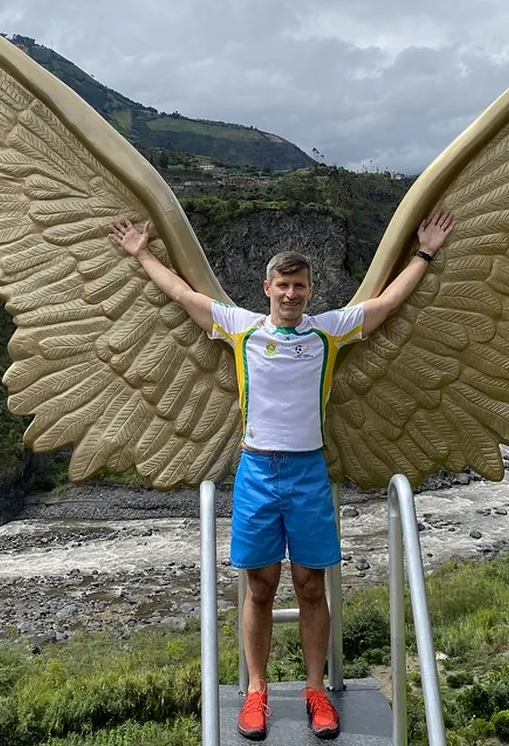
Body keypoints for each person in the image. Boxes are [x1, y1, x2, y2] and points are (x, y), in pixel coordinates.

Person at [109, 209, 455, 740]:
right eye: (283, 285)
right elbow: (181, 294)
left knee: (312, 587)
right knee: (260, 588)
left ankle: (316, 691)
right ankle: (256, 690)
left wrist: (425, 252)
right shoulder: (242, 329)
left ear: (310, 290)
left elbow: (386, 304)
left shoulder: (328, 332)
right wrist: (141, 252)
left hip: (308, 472)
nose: (291, 294)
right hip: (256, 471)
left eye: (300, 286)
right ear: (267, 288)